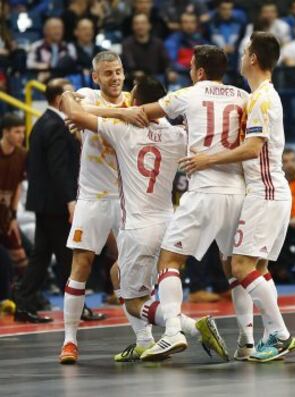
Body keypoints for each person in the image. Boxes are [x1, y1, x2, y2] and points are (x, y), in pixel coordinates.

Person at [61, 75, 228, 363]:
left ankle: (190, 328)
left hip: (137, 227)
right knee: (118, 274)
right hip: (168, 223)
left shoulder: (121, 129)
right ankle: (143, 341)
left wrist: (67, 94)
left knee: (134, 300)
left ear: (135, 104)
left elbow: (74, 114)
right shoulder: (178, 136)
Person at [107, 44, 249, 361]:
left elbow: (134, 114)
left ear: (198, 71)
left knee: (163, 269)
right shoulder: (241, 97)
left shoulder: (176, 100)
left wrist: (100, 108)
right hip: (234, 192)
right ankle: (250, 339)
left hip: (179, 203)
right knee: (240, 269)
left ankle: (179, 330)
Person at [179, 32, 295, 363]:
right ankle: (259, 337)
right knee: (254, 267)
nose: (242, 56)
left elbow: (253, 147)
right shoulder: (256, 95)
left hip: (265, 190)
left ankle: (280, 334)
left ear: (254, 59)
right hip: (263, 191)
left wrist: (207, 158)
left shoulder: (262, 98)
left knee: (241, 265)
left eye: (246, 51)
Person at [58, 51, 132, 364]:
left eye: (118, 72)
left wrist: (94, 117)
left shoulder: (134, 99)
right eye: (108, 73)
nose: (114, 78)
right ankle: (69, 340)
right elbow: (69, 106)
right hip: (93, 196)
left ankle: (147, 337)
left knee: (134, 265)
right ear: (95, 77)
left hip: (128, 197)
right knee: (82, 262)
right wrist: (66, 95)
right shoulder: (87, 95)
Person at [13, 79, 79, 323]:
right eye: (72, 95)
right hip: (55, 204)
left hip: (45, 202)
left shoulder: (43, 122)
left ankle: (24, 302)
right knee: (68, 257)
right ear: (60, 99)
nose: (77, 99)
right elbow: (58, 169)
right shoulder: (56, 126)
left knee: (42, 255)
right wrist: (70, 200)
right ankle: (76, 307)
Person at [0, 114, 27, 280]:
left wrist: (14, 216)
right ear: (5, 132)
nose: (21, 136)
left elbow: (17, 186)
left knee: (20, 257)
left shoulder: (22, 154)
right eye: (17, 132)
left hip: (6, 214)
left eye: (23, 132)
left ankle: (20, 296)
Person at [121, 13, 172, 83]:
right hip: (134, 79)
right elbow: (129, 64)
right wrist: (135, 72)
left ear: (149, 26)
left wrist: (170, 71)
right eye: (137, 24)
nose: (140, 26)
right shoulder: (127, 44)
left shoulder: (158, 43)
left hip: (156, 78)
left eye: (143, 23)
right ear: (132, 27)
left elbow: (166, 61)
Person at [165, 12, 207, 87]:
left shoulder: (201, 40)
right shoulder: (173, 40)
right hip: (180, 74)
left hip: (198, 74)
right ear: (180, 25)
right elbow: (171, 61)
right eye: (185, 22)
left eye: (192, 22)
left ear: (196, 24)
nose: (189, 25)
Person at [208, 0, 247, 73]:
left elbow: (243, 39)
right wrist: (218, 49)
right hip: (216, 65)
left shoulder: (238, 23)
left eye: (230, 9)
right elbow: (205, 41)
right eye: (224, 9)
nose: (227, 12)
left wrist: (235, 47)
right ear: (218, 9)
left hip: (235, 65)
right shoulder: (210, 24)